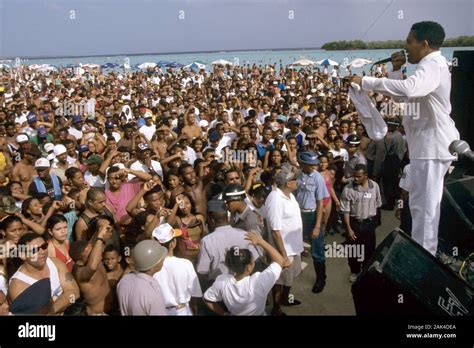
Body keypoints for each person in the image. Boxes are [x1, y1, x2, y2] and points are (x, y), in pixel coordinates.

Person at [351, 21, 460, 255]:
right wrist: (396, 70)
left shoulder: (433, 64)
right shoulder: (428, 66)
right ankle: (422, 255)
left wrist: (366, 82)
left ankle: (424, 263)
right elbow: (407, 100)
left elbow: (409, 89)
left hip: (432, 147)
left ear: (425, 43)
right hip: (425, 147)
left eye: (409, 42)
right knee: (420, 207)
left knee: (426, 211)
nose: (405, 46)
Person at [204, 231, 284, 316]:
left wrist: (224, 313)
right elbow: (280, 261)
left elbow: (207, 299)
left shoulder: (222, 282)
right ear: (248, 268)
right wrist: (261, 242)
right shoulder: (258, 281)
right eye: (253, 262)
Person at [8, 232, 80, 315]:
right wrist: (65, 300)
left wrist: (52, 309)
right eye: (34, 250)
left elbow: (75, 294)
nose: (42, 252)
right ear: (23, 255)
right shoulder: (18, 286)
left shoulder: (56, 263)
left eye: (44, 246)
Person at [265, 165, 303, 315]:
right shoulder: (275, 199)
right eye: (294, 179)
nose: (297, 181)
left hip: (294, 246)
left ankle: (285, 298)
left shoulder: (290, 195)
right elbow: (275, 231)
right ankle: (276, 308)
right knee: (279, 281)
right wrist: (283, 255)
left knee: (290, 277)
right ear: (288, 183)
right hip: (284, 249)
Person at [196, 200, 261, 286]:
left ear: (211, 220)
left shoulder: (207, 241)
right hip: (244, 286)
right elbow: (255, 261)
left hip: (219, 288)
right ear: (228, 217)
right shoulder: (244, 234)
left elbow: (202, 271)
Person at [340, 164, 382, 282]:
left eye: (359, 176)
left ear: (366, 176)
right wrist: (348, 228)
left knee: (369, 250)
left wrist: (376, 221)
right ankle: (355, 271)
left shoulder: (375, 187)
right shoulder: (348, 189)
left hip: (369, 224)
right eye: (354, 176)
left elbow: (378, 204)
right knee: (354, 250)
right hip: (355, 224)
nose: (356, 179)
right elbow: (346, 210)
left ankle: (366, 270)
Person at [295, 151, 330, 294]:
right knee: (296, 244)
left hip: (312, 215)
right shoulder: (297, 174)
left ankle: (321, 278)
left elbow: (320, 202)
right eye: (310, 165)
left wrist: (317, 226)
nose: (313, 167)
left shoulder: (318, 178)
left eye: (314, 164)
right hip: (298, 215)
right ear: (302, 164)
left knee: (317, 250)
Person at [152, 223, 202, 316]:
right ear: (173, 243)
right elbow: (194, 292)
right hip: (182, 311)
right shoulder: (185, 264)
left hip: (159, 311)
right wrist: (194, 307)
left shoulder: (151, 268)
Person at [116, 239, 168, 315]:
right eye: (160, 259)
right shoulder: (152, 291)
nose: (163, 259)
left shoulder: (124, 281)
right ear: (151, 268)